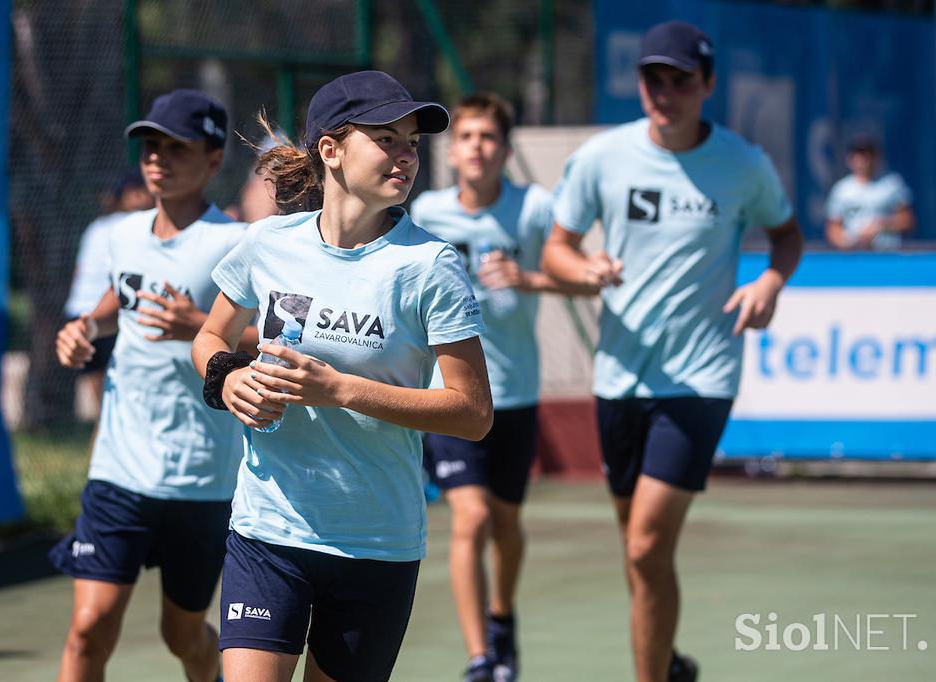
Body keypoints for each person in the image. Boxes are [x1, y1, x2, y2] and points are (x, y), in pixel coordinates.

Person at [191, 70, 493, 682]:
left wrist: (342, 391)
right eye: (386, 138)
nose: (405, 155)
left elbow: (472, 411)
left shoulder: (428, 266)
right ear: (331, 149)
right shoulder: (267, 244)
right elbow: (211, 336)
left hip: (376, 543)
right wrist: (225, 379)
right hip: (267, 528)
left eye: (411, 142)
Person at [541, 21, 803, 682]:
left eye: (680, 79)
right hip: (620, 376)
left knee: (649, 542)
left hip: (701, 376)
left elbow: (787, 235)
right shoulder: (602, 158)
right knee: (638, 554)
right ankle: (669, 661)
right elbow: (557, 250)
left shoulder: (744, 164)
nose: (664, 91)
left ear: (707, 85)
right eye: (653, 77)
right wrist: (584, 271)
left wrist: (770, 281)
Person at [51, 89, 254, 682]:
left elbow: (272, 336)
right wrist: (85, 327)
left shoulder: (235, 243)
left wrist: (198, 327)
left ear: (214, 160)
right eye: (150, 147)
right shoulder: (119, 234)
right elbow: (120, 297)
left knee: (182, 634)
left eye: (177, 148)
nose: (157, 160)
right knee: (89, 626)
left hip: (201, 477)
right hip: (119, 469)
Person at [410, 92, 589, 682]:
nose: (477, 147)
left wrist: (530, 278)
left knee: (507, 526)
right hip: (449, 397)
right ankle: (480, 658)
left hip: (514, 396)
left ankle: (502, 615)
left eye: (488, 137)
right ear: (452, 149)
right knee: (472, 519)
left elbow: (582, 280)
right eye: (466, 137)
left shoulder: (535, 209)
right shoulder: (426, 214)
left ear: (506, 149)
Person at [63, 167, 154, 417]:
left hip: (77, 313)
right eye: (144, 190)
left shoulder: (96, 226)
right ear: (132, 194)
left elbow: (79, 271)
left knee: (104, 408)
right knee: (114, 409)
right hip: (106, 319)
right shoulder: (134, 227)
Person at [824, 134, 915, 250]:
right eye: (858, 154)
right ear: (849, 159)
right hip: (854, 257)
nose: (863, 159)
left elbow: (908, 220)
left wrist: (881, 225)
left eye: (868, 154)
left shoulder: (892, 184)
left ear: (877, 157)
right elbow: (833, 230)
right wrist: (852, 242)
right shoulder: (841, 190)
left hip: (887, 255)